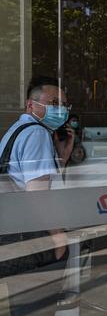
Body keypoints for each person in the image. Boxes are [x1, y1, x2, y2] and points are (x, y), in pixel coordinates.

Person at [0, 76, 73, 277]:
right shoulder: (37, 134)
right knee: (41, 300)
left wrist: (61, 158)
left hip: (11, 232)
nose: (61, 109)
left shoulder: (16, 130)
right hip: (33, 236)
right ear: (31, 104)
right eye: (54, 103)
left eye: (65, 105)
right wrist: (58, 237)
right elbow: (37, 195)